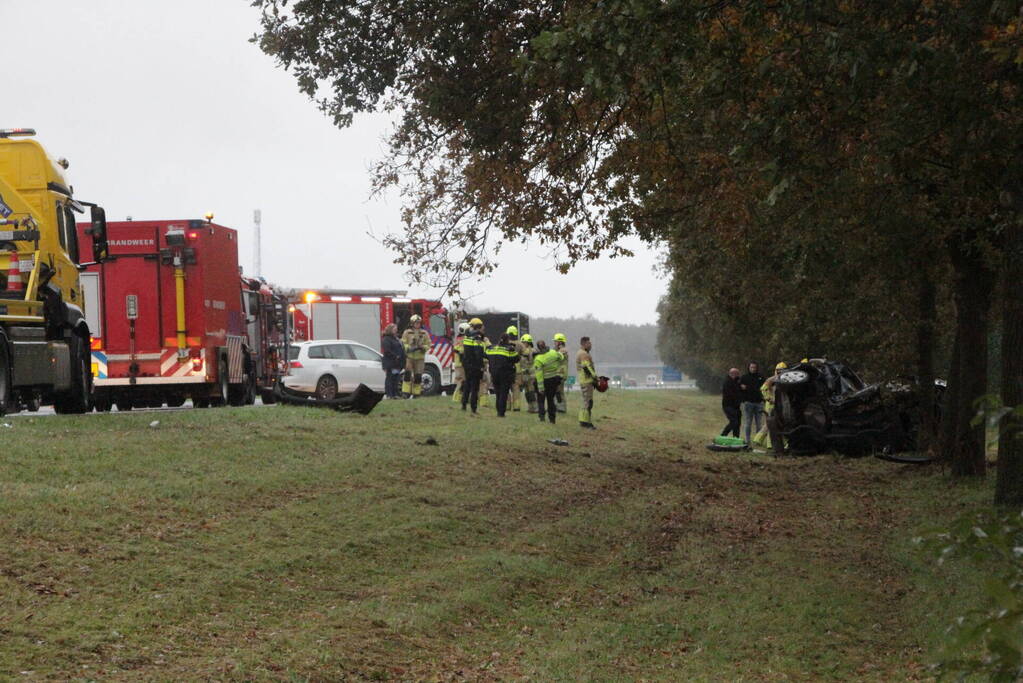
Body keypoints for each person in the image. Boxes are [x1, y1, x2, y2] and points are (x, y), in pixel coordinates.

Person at [486, 332, 520, 417]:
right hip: (505, 374)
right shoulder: (509, 349)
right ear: (507, 340)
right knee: (503, 394)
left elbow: (486, 354)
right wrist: (513, 348)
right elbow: (516, 358)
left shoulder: (492, 348)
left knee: (498, 393)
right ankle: (501, 413)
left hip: (494, 374)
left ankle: (498, 410)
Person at [460, 318, 487, 413]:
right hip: (475, 365)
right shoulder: (477, 337)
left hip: (467, 364)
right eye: (482, 325)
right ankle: (473, 408)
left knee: (467, 385)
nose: (483, 327)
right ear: (478, 326)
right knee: (475, 387)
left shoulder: (467, 336)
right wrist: (481, 365)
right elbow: (478, 353)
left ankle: (463, 404)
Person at [400, 314, 432, 398]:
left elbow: (428, 343)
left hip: (420, 358)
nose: (418, 324)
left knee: (418, 376)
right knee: (407, 374)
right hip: (409, 357)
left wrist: (423, 348)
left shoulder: (424, 333)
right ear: (412, 323)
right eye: (416, 323)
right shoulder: (407, 332)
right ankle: (405, 393)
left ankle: (416, 393)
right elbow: (403, 342)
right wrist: (409, 348)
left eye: (419, 323)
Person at [533, 339, 563, 424]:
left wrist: (540, 387)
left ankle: (542, 418)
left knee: (541, 401)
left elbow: (539, 374)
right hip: (553, 380)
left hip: (543, 381)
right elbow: (561, 357)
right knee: (551, 400)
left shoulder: (538, 359)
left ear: (538, 348)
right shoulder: (553, 353)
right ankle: (552, 419)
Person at [739, 361, 766, 443]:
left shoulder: (761, 377)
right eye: (751, 367)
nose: (753, 369)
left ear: (757, 368)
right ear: (749, 368)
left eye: (754, 367)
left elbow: (766, 387)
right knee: (748, 422)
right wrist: (743, 399)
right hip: (748, 403)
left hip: (759, 403)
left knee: (759, 423)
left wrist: (764, 399)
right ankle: (747, 440)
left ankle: (757, 440)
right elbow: (739, 388)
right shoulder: (744, 377)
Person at [576, 336, 597, 429]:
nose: (590, 345)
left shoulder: (581, 353)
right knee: (588, 402)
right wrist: (595, 377)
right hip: (586, 380)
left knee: (586, 401)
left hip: (584, 380)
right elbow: (587, 367)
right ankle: (585, 422)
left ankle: (584, 420)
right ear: (584, 344)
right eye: (589, 343)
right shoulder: (584, 354)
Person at [380, 323, 405, 399]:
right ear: (390, 330)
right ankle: (389, 395)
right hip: (390, 363)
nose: (396, 330)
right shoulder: (386, 339)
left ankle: (395, 394)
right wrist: (395, 356)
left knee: (396, 379)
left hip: (397, 363)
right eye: (394, 329)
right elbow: (387, 351)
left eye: (396, 329)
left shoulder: (396, 338)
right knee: (390, 379)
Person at [506, 326, 526, 411]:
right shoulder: (520, 344)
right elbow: (526, 354)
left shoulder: (504, 343)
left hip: (506, 368)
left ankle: (507, 406)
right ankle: (516, 407)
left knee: (505, 387)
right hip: (517, 369)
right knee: (516, 388)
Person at [720, 367, 743, 438]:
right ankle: (723, 435)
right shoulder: (727, 382)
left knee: (738, 423)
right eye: (737, 374)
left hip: (736, 406)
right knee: (734, 422)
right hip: (728, 406)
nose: (739, 376)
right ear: (733, 374)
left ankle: (736, 437)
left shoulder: (736, 381)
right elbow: (731, 394)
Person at [518, 333, 537, 413]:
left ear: (527, 342)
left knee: (532, 392)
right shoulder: (523, 351)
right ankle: (530, 408)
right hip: (525, 375)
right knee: (527, 392)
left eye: (523, 342)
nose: (522, 344)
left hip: (531, 375)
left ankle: (535, 408)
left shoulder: (532, 351)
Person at [451, 322, 468, 403]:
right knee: (461, 382)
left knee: (461, 382)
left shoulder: (458, 338)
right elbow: (460, 350)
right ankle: (456, 398)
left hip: (459, 364)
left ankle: (459, 398)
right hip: (461, 364)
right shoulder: (463, 339)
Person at [553, 332, 569, 413]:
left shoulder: (563, 350)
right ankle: (558, 407)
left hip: (561, 374)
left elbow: (556, 357)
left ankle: (561, 408)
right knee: (557, 391)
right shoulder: (558, 350)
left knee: (559, 391)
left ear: (560, 342)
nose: (554, 343)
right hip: (558, 373)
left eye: (555, 341)